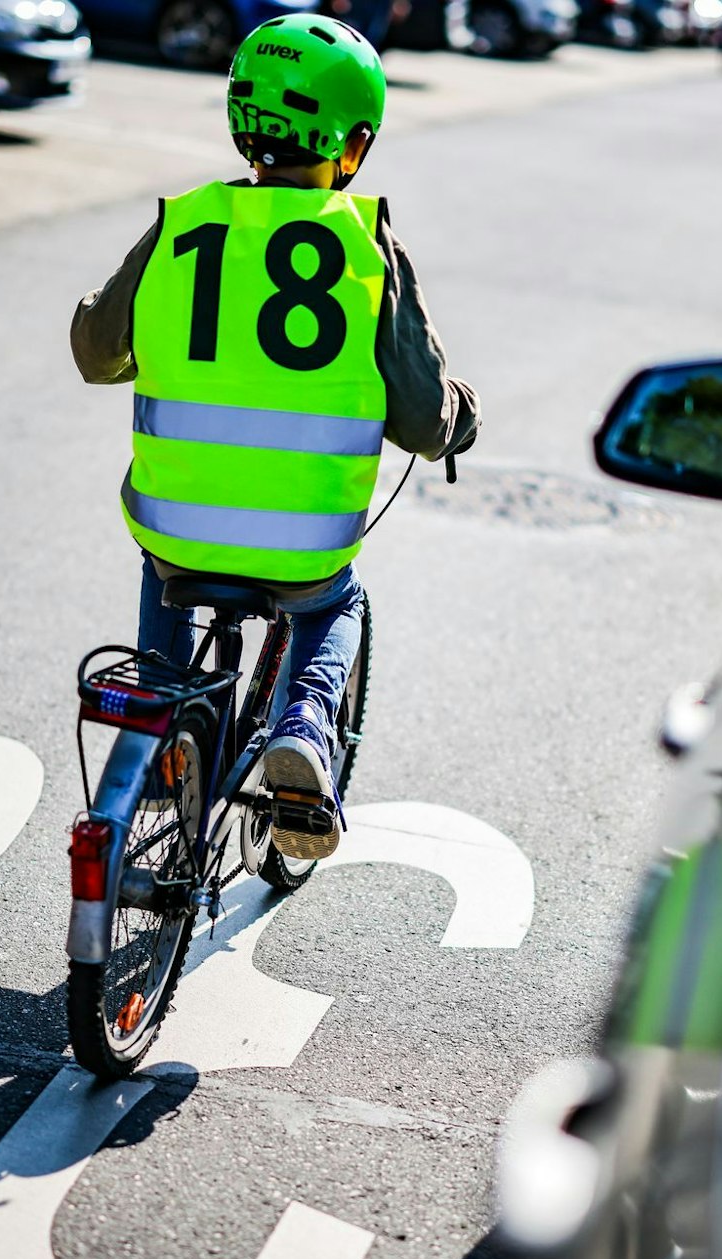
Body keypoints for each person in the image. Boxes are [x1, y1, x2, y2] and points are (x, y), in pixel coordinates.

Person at [69, 17, 479, 859]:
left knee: (168, 569)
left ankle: (161, 724)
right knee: (338, 604)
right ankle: (304, 728)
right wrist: (459, 417)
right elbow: (420, 420)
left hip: (177, 527)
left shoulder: (184, 225)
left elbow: (95, 350)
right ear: (353, 145)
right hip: (302, 549)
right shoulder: (366, 246)